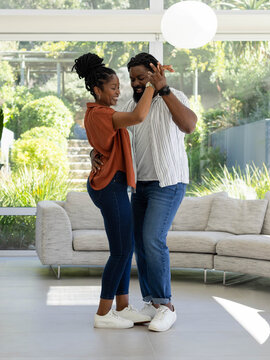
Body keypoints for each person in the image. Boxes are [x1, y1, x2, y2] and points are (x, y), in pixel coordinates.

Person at [92, 52, 197, 332]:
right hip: (140, 185)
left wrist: (163, 89)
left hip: (168, 182)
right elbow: (110, 138)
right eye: (132, 79)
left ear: (155, 75)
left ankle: (166, 306)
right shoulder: (128, 104)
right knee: (139, 242)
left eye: (142, 78)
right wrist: (95, 152)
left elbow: (188, 125)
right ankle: (151, 302)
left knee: (153, 239)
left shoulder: (173, 98)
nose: (136, 84)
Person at [73, 53, 161, 329]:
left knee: (126, 246)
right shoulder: (101, 113)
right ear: (97, 90)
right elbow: (138, 115)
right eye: (113, 89)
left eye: (118, 88)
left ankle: (122, 307)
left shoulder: (101, 113)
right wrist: (151, 84)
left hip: (113, 183)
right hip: (109, 186)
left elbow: (106, 143)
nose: (117, 92)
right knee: (121, 251)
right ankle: (103, 313)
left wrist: (93, 152)